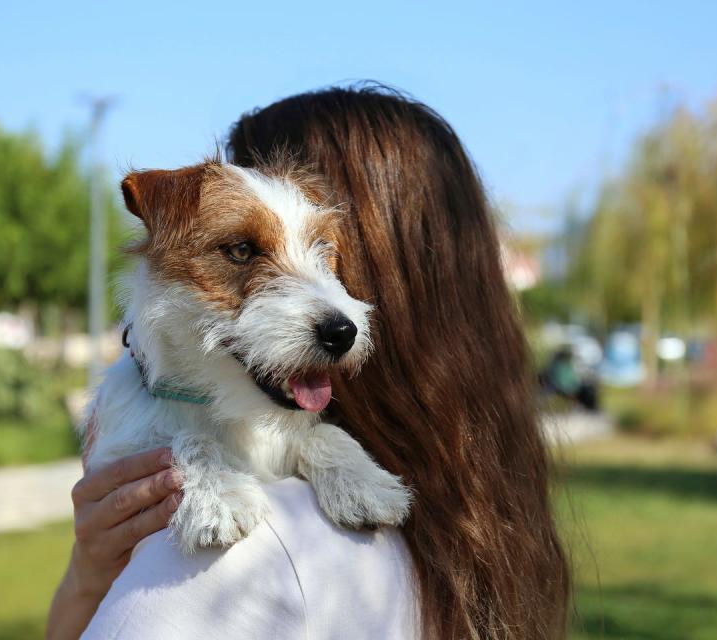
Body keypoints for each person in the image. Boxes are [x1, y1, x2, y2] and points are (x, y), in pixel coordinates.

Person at [48, 85, 569, 640]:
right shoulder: (477, 517)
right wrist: (89, 574)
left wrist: (322, 449)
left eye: (323, 253)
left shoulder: (231, 574)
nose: (325, 298)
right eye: (243, 251)